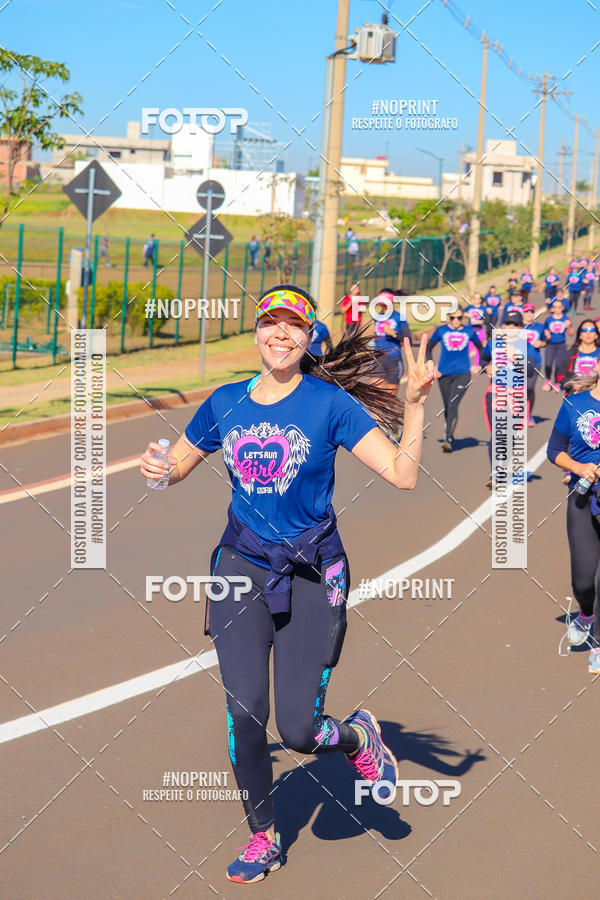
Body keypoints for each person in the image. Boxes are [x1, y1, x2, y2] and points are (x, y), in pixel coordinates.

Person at [140, 284, 437, 882]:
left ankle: (357, 740)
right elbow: (175, 467)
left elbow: (403, 476)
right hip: (239, 569)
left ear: (308, 339)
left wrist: (414, 404)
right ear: (256, 332)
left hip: (310, 573)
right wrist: (158, 469)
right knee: (245, 713)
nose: (280, 334)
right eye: (270, 323)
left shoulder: (330, 405)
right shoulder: (224, 402)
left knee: (300, 729)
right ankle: (263, 836)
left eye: (293, 326)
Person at [547, 361, 600, 673]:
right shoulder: (575, 404)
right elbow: (554, 450)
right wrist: (579, 468)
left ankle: (597, 644)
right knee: (583, 580)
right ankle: (586, 612)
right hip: (583, 494)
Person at [481, 309, 536, 486]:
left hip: (517, 394)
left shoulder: (528, 347)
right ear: (502, 325)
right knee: (498, 432)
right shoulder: (493, 343)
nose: (511, 327)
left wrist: (515, 357)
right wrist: (487, 368)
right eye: (508, 323)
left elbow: (529, 372)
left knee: (510, 435)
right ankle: (495, 471)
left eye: (515, 324)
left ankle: (503, 467)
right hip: (496, 392)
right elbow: (482, 360)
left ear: (521, 327)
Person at [426, 307, 484, 452]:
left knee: (453, 404)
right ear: (449, 318)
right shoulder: (441, 331)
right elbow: (428, 348)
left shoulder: (469, 331)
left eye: (459, 317)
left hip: (463, 374)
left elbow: (481, 349)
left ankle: (449, 438)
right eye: (453, 318)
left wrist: (479, 365)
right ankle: (448, 430)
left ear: (463, 318)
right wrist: (432, 367)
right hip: (444, 374)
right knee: (447, 406)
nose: (456, 321)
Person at [371, 288, 412, 422]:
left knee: (390, 397)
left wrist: (394, 333)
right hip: (378, 359)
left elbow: (408, 339)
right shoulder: (376, 317)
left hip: (394, 359)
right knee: (374, 392)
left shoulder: (399, 318)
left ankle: (393, 425)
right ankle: (377, 425)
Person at [522, 302, 546, 426]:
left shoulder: (540, 327)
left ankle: (529, 414)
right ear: (522, 313)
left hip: (535, 361)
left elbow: (546, 341)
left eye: (531, 311)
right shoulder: (517, 327)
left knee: (529, 387)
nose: (529, 314)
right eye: (526, 311)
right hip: (518, 362)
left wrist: (541, 344)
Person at [543, 297, 573, 391]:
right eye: (555, 307)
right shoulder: (548, 319)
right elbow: (544, 330)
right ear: (552, 308)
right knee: (548, 364)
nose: (557, 309)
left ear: (562, 308)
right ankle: (548, 380)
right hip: (550, 345)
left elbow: (571, 334)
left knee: (559, 365)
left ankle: (556, 383)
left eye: (559, 307)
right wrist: (546, 334)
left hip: (561, 345)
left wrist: (568, 327)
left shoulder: (566, 318)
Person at [463, 293, 488, 361]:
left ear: (480, 300)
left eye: (478, 298)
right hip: (470, 331)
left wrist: (478, 322)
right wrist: (467, 314)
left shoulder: (483, 309)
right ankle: (464, 365)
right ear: (473, 299)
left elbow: (487, 321)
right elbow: (460, 312)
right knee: (468, 348)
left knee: (478, 350)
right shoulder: (469, 307)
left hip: (479, 331)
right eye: (474, 298)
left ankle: (477, 366)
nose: (476, 300)